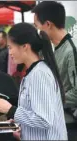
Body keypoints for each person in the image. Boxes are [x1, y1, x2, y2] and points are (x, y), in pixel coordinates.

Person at [0, 23, 67, 140]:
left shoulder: (39, 74)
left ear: (25, 46)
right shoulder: (34, 72)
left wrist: (10, 110)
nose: (10, 53)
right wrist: (19, 121)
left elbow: (44, 120)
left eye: (10, 47)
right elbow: (35, 112)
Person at [32, 1, 77, 140]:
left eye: (36, 26)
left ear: (48, 24)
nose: (36, 31)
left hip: (69, 126)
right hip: (58, 122)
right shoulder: (53, 48)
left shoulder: (71, 50)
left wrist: (51, 101)